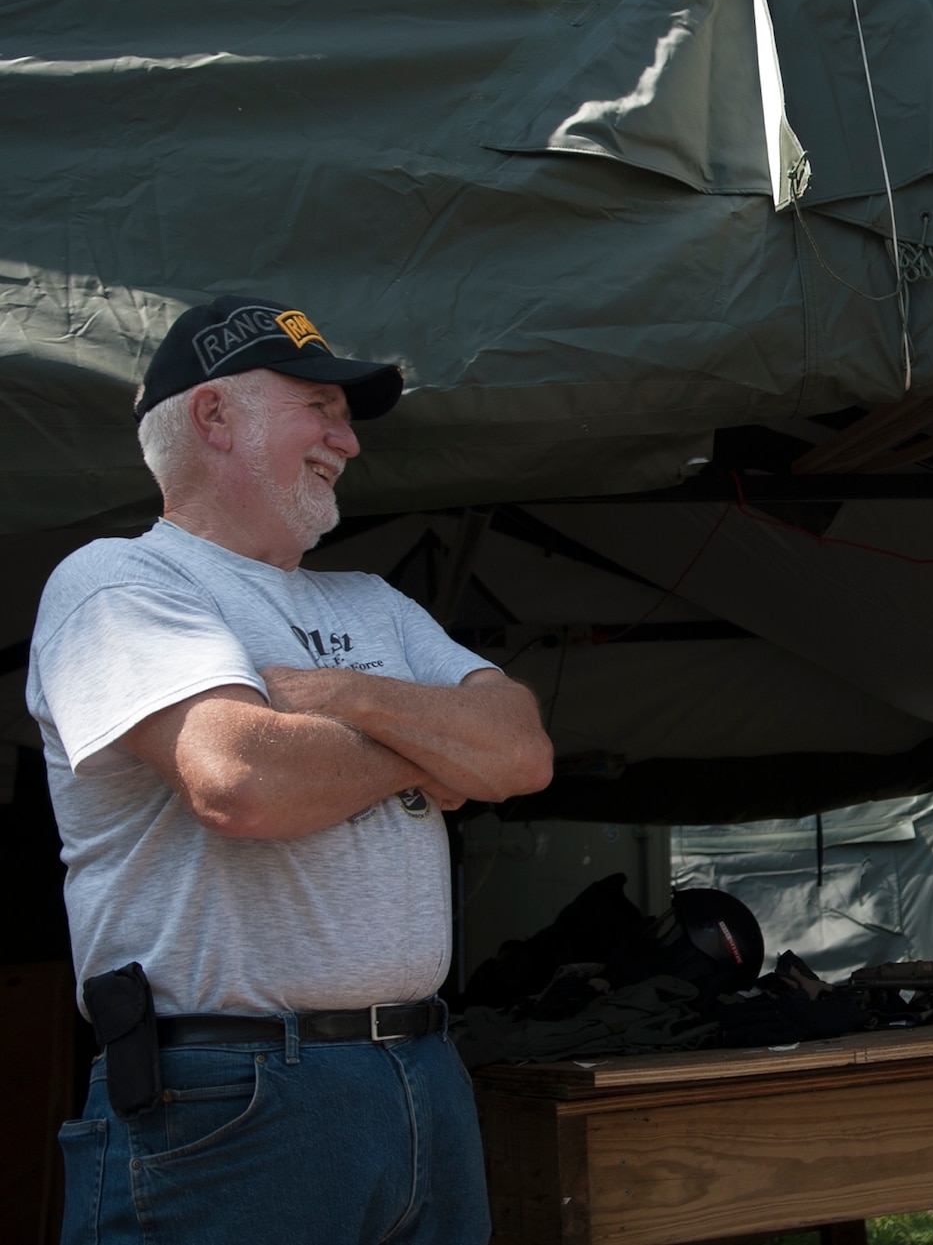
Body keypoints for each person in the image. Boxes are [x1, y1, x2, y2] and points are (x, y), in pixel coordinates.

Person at [30, 295, 554, 1244]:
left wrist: (342, 696)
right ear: (214, 415)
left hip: (424, 1077)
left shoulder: (372, 599)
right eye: (321, 406)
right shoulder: (118, 581)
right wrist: (434, 748)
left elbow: (519, 750)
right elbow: (239, 779)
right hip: (229, 1093)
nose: (345, 442)